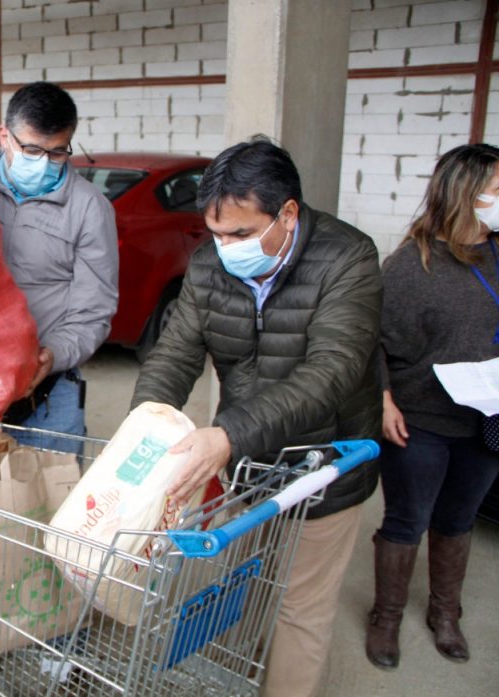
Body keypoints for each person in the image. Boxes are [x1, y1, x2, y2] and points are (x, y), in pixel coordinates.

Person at [131, 136, 382, 697]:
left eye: (241, 234)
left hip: (327, 465)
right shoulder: (208, 264)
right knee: (243, 582)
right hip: (249, 461)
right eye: (216, 233)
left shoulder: (348, 258)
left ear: (287, 213)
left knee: (300, 609)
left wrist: (228, 434)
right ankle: (232, 678)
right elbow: (175, 353)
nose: (225, 248)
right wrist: (141, 431)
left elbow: (332, 371)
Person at [366, 143, 499, 670]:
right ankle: (386, 618)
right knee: (407, 519)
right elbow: (369, 338)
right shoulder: (408, 265)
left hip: (487, 421)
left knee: (459, 518)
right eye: (496, 188)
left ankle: (446, 614)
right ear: (465, 194)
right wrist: (382, 398)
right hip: (420, 420)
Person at [0, 81, 119, 440]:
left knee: (46, 497)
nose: (44, 163)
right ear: (4, 135)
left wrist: (53, 355)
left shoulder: (90, 210)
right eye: (32, 150)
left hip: (49, 395)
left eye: (58, 152)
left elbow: (94, 310)